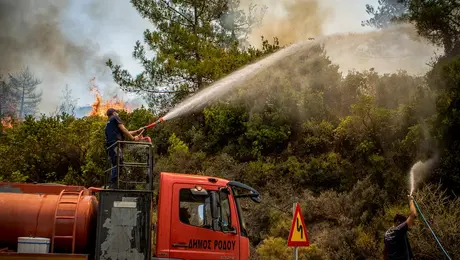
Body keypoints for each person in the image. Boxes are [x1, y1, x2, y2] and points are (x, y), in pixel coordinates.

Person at [104, 108, 143, 189]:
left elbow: (124, 131)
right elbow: (124, 129)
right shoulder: (115, 117)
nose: (118, 114)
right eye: (117, 113)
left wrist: (137, 131)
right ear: (114, 113)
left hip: (111, 147)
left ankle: (111, 184)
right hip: (116, 145)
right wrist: (133, 138)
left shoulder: (109, 124)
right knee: (119, 162)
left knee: (116, 164)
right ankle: (112, 185)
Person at [383, 195, 417, 260]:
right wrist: (411, 200)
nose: (404, 224)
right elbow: (413, 215)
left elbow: (385, 252)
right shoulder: (399, 230)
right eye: (403, 222)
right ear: (398, 221)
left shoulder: (387, 233)